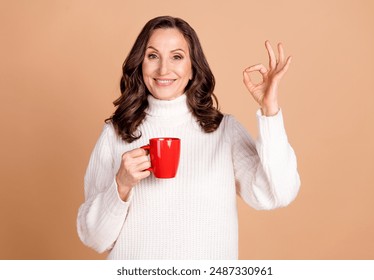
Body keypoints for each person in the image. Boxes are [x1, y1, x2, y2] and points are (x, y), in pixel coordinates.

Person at [77, 15, 300, 260]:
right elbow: (93, 238)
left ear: (193, 68)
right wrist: (121, 185)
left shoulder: (223, 130)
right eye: (152, 56)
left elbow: (277, 193)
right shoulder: (115, 134)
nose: (164, 69)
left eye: (177, 56)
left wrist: (270, 111)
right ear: (140, 64)